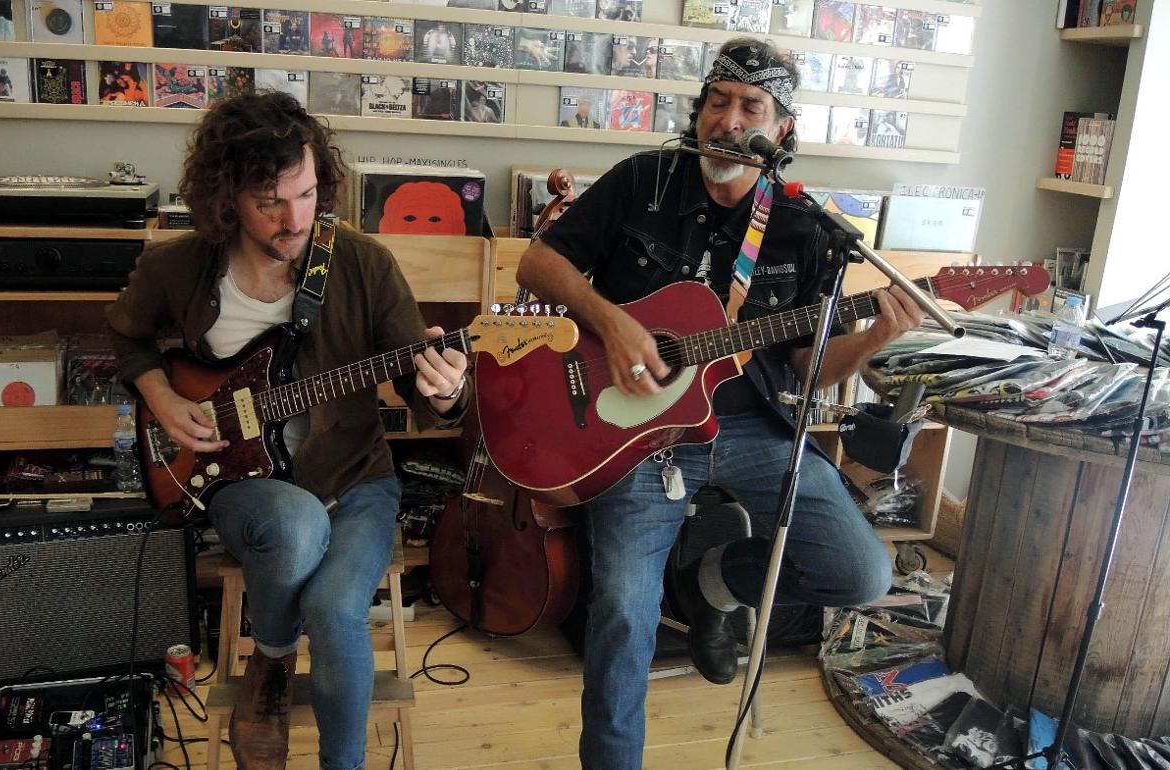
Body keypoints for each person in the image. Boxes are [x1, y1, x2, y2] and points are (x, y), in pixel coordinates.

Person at [515, 37, 924, 768]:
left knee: (863, 573)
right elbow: (537, 262)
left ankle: (715, 583)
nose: (729, 121)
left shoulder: (805, 229)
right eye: (718, 101)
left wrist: (874, 340)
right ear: (700, 109)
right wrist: (612, 322)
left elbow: (808, 369)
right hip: (635, 436)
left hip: (751, 426)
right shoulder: (642, 182)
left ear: (782, 131)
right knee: (620, 614)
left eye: (751, 108)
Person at [106, 91, 469, 770]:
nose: (294, 218)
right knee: (296, 523)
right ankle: (270, 664)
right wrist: (158, 392)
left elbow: (426, 393)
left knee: (336, 614)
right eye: (270, 201)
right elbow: (127, 338)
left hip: (355, 480)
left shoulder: (359, 263)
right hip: (236, 480)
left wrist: (446, 390)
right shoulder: (177, 266)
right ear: (227, 197)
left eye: (305, 194)